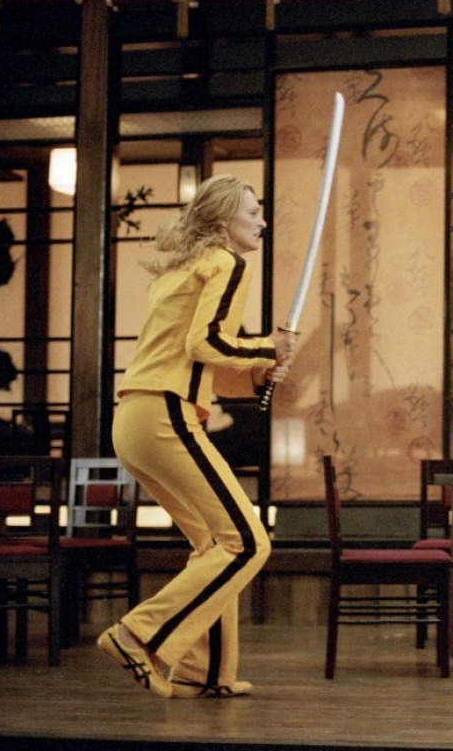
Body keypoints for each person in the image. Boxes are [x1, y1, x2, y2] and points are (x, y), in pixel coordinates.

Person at [100, 175, 296, 699]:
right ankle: (136, 636)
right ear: (222, 222)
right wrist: (268, 347)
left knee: (214, 543)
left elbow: (196, 360)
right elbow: (205, 343)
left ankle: (203, 672)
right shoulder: (227, 263)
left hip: (134, 418)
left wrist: (258, 370)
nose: (262, 221)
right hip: (165, 415)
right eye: (252, 212)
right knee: (248, 541)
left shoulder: (182, 270)